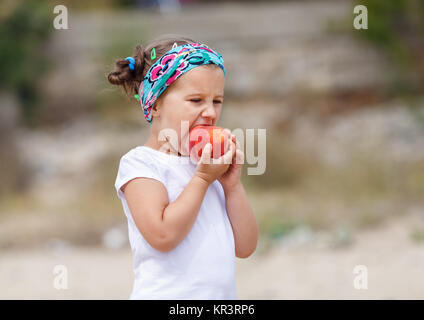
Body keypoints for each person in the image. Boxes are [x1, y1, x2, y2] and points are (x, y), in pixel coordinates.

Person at [108, 34, 259, 299]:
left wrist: (232, 186)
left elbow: (245, 246)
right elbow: (163, 236)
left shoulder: (207, 164)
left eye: (217, 101)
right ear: (155, 104)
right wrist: (201, 179)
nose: (210, 112)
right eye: (196, 101)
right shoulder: (141, 164)